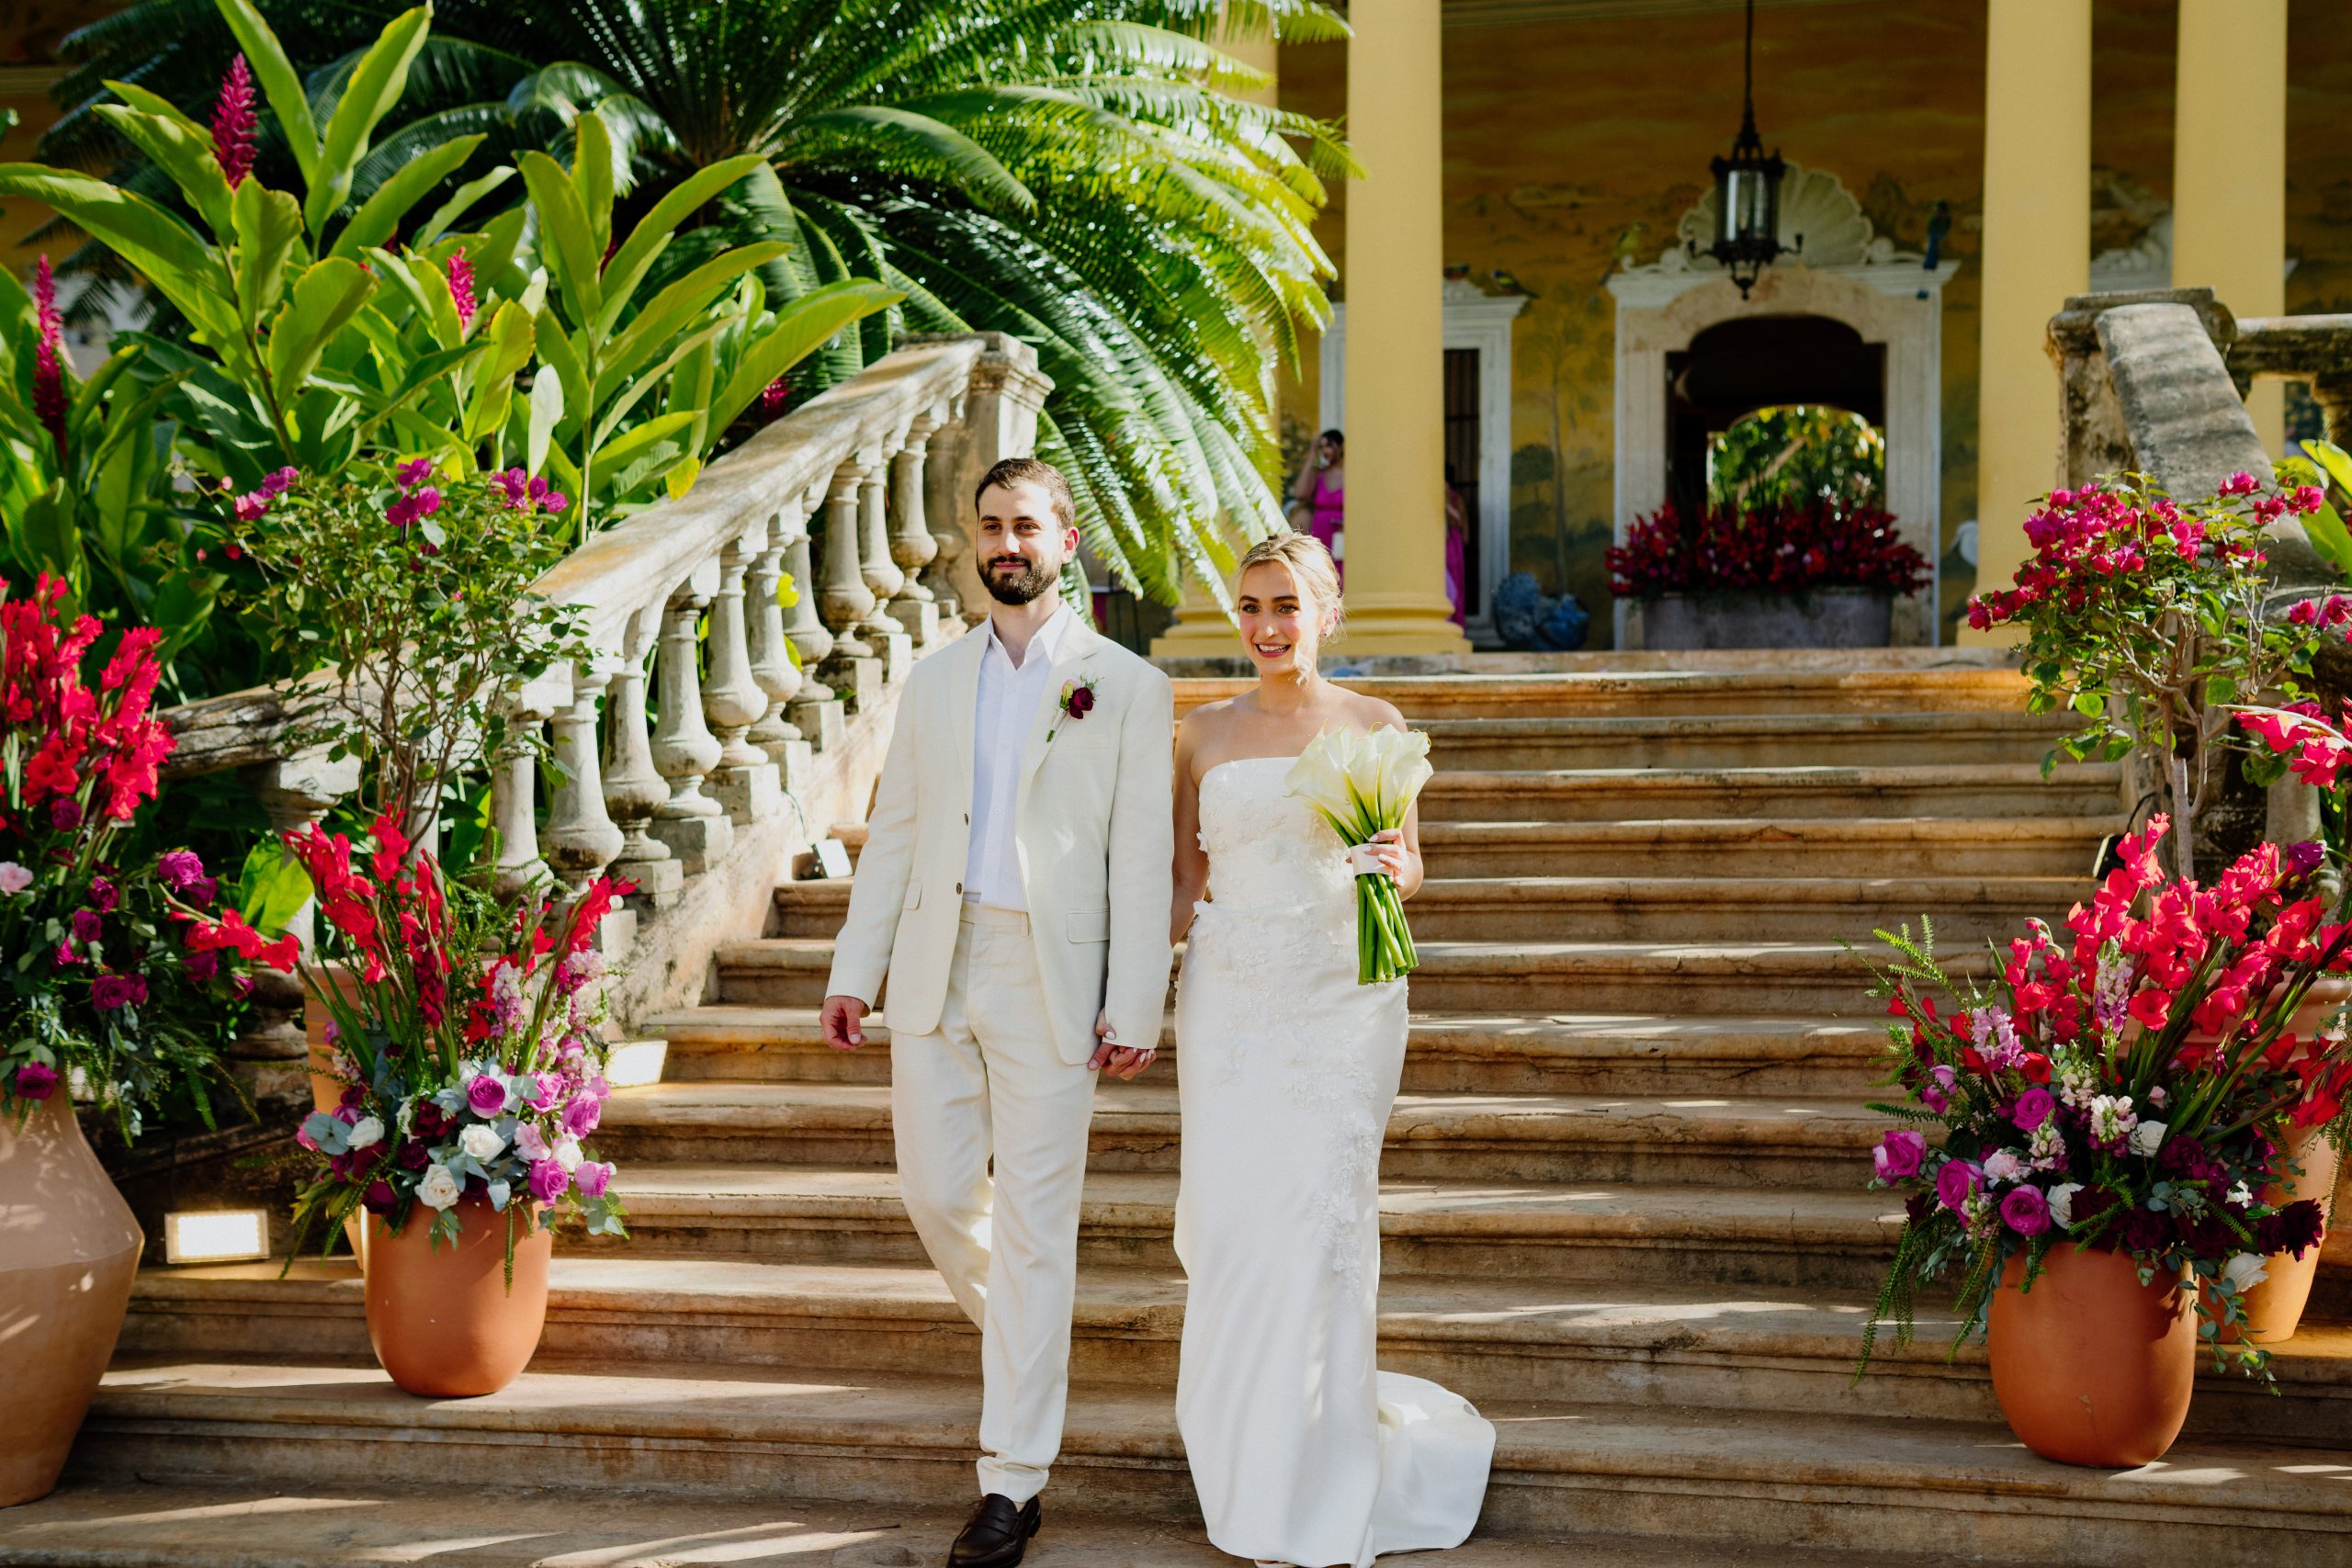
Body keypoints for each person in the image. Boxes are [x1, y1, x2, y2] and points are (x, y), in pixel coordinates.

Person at [820, 457, 1175, 1568]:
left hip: (1050, 978)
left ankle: (1011, 1483)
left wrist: (1135, 1005)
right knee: (933, 1192)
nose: (1004, 542)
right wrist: (851, 969)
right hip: (935, 962)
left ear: (1067, 542)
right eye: (989, 526)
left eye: (1026, 525)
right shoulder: (930, 681)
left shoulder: (1124, 683)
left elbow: (1140, 857)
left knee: (1034, 1231)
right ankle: (1033, 1336)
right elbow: (900, 833)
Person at [1168, 532, 1495, 1567]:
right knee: (1233, 1229)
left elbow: (1409, 871)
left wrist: (1396, 866)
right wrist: (1132, 995)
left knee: (1316, 1229)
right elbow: (1184, 885)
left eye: (1285, 606)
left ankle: (1315, 1478)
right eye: (1250, 606)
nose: (1266, 627)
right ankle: (1243, 1460)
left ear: (1325, 611)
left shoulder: (1375, 725)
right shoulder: (1202, 733)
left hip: (1340, 997)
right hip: (1229, 1001)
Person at [1288, 428, 1346, 584]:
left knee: (1341, 573)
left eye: (1329, 445)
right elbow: (1300, 493)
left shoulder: (1350, 473)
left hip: (1342, 531)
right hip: (1320, 529)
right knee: (1321, 572)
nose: (1325, 450)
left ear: (1340, 447)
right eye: (1321, 447)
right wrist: (1312, 455)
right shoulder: (1319, 475)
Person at [1442, 464, 1470, 630]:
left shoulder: (1447, 495)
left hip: (1448, 542)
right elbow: (1466, 534)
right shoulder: (1457, 498)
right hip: (1455, 542)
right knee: (1455, 582)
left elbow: (1459, 520)